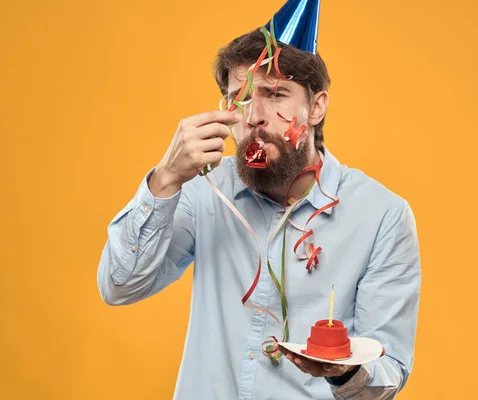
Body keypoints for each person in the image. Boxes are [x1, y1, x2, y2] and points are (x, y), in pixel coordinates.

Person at [97, 1, 421, 399]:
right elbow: (119, 285)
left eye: (275, 93)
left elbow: (388, 374)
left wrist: (342, 372)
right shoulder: (203, 191)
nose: (254, 116)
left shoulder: (382, 216)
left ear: (316, 106)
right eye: (242, 97)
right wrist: (165, 179)